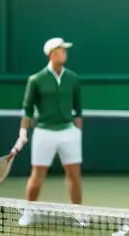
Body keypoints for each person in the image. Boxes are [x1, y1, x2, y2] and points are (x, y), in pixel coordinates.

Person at [11, 37, 84, 226]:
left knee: (74, 175)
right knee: (37, 175)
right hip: (44, 132)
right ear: (52, 53)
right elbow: (27, 109)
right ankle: (28, 212)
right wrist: (23, 134)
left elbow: (78, 110)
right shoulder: (36, 80)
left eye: (65, 50)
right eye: (61, 50)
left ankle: (78, 213)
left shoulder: (73, 79)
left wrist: (77, 132)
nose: (65, 53)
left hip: (69, 132)